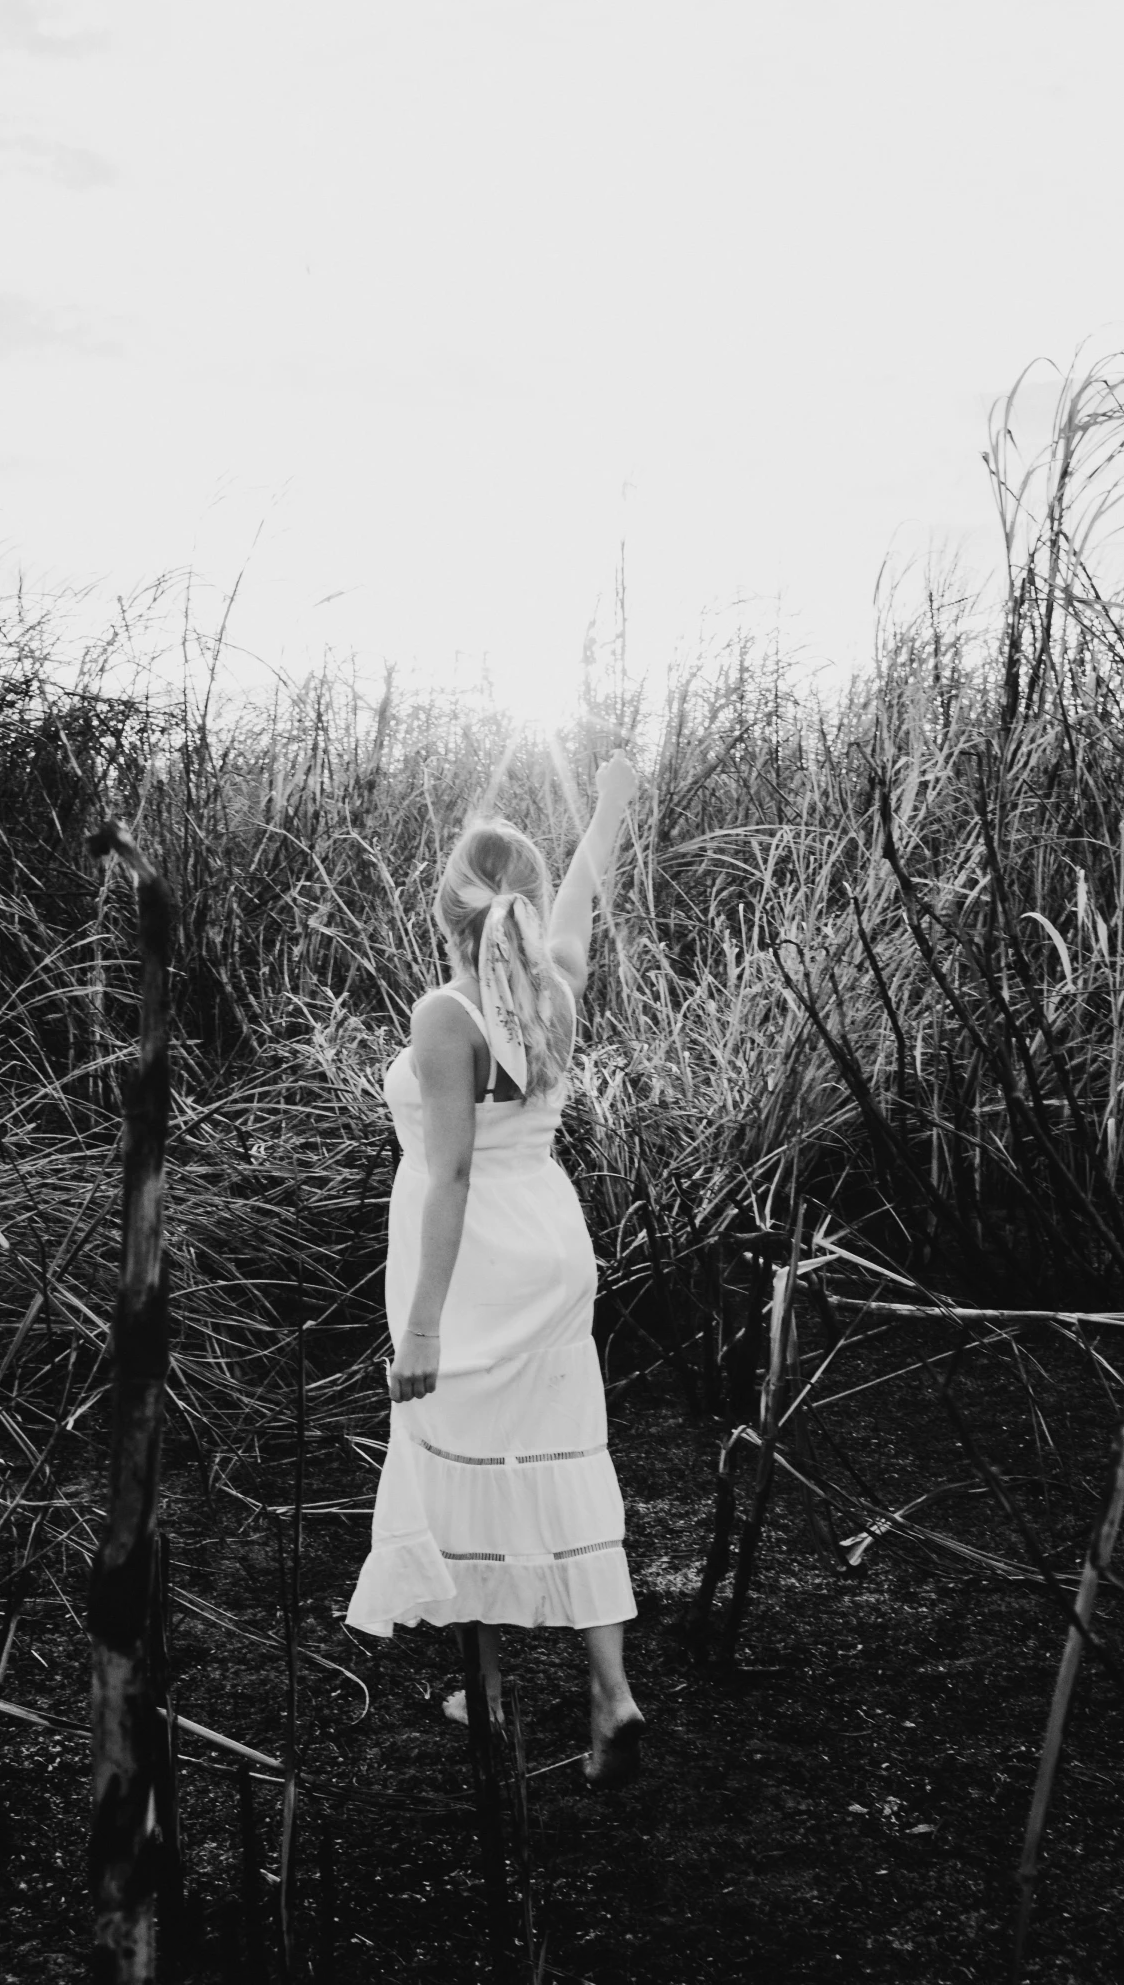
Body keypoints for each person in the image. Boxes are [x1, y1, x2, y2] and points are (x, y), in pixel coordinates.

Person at [346, 750, 645, 1787]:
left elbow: (450, 1175)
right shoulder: (553, 989)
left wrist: (421, 1326)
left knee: (460, 1460)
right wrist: (606, 805)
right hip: (554, 1245)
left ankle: (496, 1687)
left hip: (473, 1258)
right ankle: (610, 1689)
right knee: (560, 1454)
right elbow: (580, 899)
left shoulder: (448, 1013)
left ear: (445, 914)